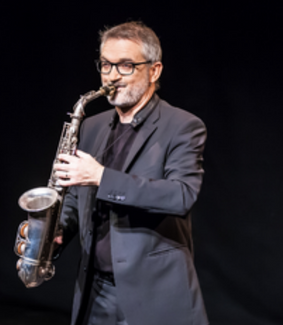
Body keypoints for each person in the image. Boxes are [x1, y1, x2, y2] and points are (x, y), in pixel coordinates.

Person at [53, 22, 209, 325]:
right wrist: (58, 228)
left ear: (154, 70)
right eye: (106, 65)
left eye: (126, 66)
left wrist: (102, 177)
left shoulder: (183, 126)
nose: (112, 75)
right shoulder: (91, 126)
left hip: (153, 297)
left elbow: (180, 195)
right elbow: (76, 195)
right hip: (95, 292)